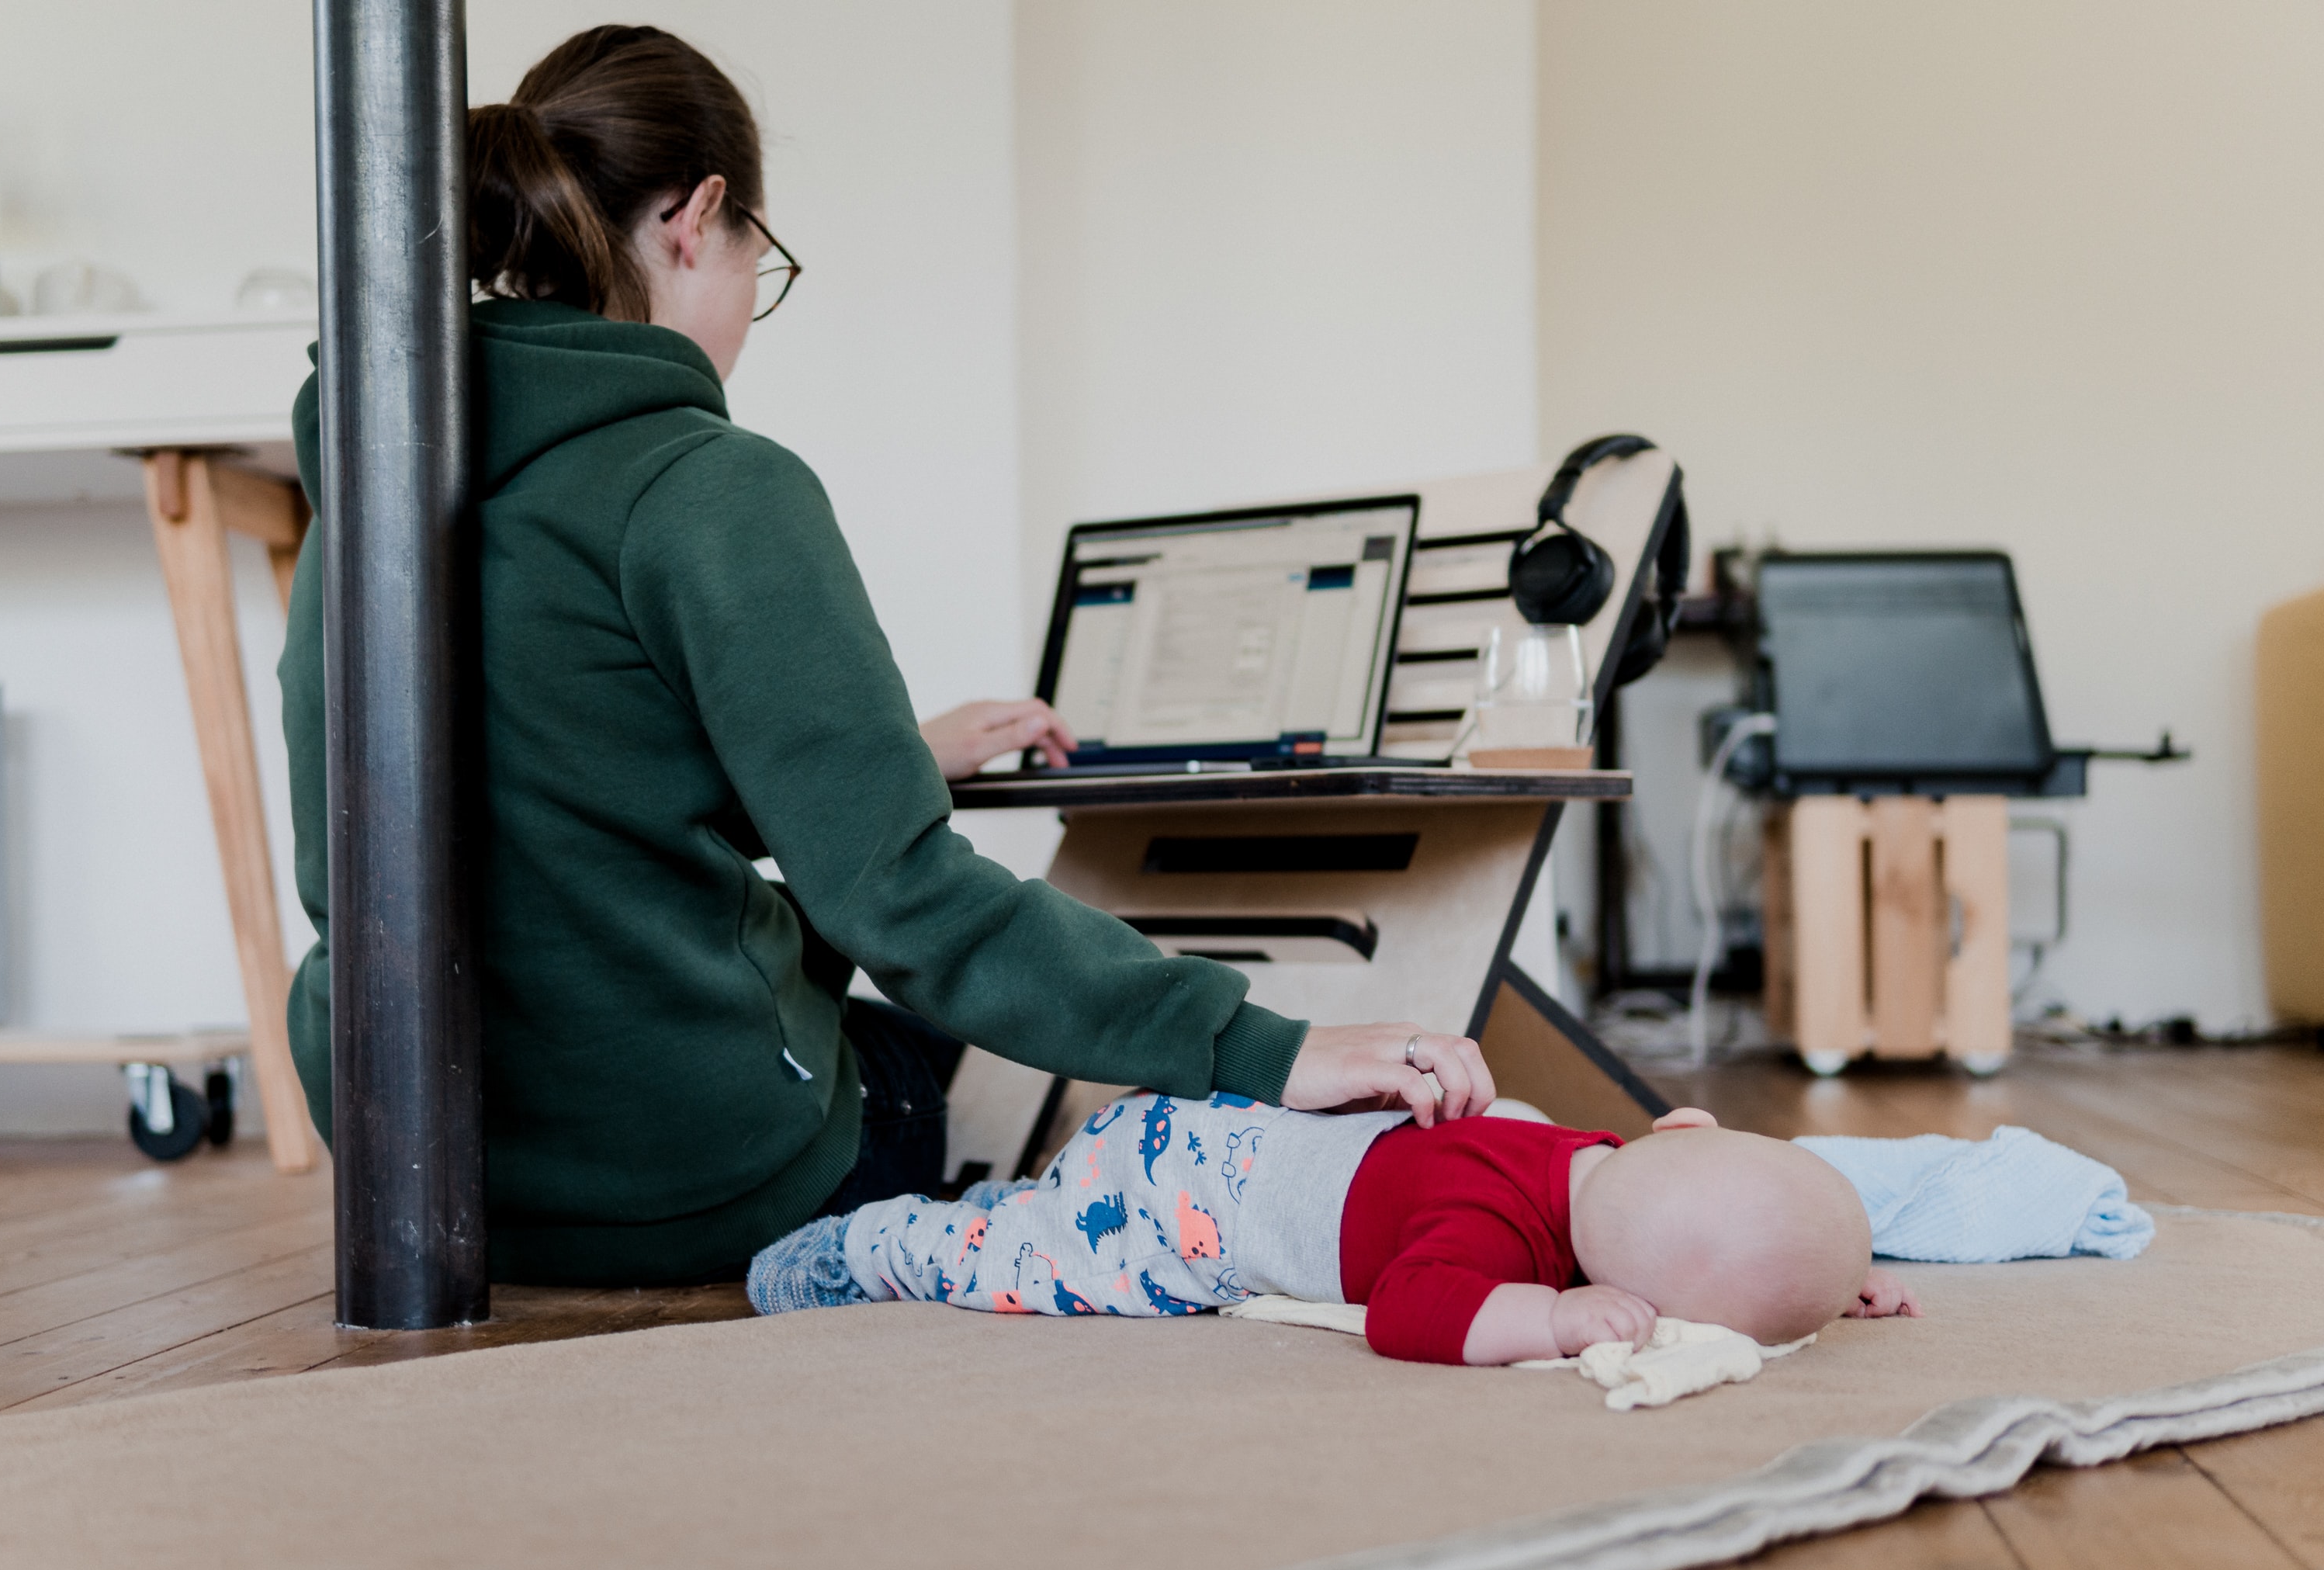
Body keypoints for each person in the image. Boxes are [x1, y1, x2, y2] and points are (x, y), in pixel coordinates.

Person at [276, 24, 1495, 1288]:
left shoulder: (375, 495)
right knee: (917, 1063)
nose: (755, 297)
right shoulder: (705, 484)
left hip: (421, 1170)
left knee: (806, 957)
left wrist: (899, 755)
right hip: (674, 1181)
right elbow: (903, 902)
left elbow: (572, 789)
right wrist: (1265, 1045)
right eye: (764, 256)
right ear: (699, 217)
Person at [750, 1103, 1920, 1364]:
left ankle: (1003, 1205)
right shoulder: (1487, 1230)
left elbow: (1729, 1217)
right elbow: (1411, 1314)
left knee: (1037, 1209)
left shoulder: (1594, 1148)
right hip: (1172, 1212)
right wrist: (1552, 1316)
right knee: (1030, 1269)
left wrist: (1835, 1277)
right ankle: (869, 1246)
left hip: (1199, 1134)